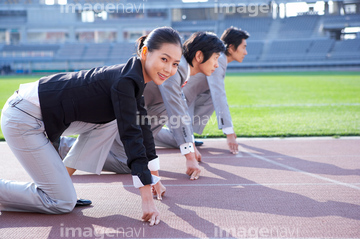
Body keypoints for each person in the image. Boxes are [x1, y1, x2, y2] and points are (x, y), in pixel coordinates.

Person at [0, 26, 182, 226]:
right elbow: (131, 136)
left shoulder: (134, 79)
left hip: (41, 115)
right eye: (164, 59)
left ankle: (62, 183)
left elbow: (143, 128)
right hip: (24, 118)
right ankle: (59, 192)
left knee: (111, 120)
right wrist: (146, 199)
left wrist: (154, 176)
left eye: (175, 64)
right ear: (146, 52)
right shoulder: (126, 80)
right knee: (62, 202)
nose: (169, 69)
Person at [57, 31, 225, 189]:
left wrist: (189, 145)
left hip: (130, 114)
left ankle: (78, 147)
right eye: (216, 58)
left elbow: (174, 106)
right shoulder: (175, 68)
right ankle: (63, 146)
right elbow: (176, 108)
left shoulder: (178, 69)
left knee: (137, 155)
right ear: (199, 56)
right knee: (126, 164)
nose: (217, 64)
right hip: (114, 112)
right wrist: (189, 155)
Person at [155, 27, 249, 154]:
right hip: (177, 97)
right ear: (231, 47)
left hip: (188, 96)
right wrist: (229, 132)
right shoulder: (219, 59)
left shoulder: (218, 60)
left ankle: (187, 135)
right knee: (180, 139)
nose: (246, 52)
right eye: (243, 47)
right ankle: (149, 132)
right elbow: (219, 94)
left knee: (186, 135)